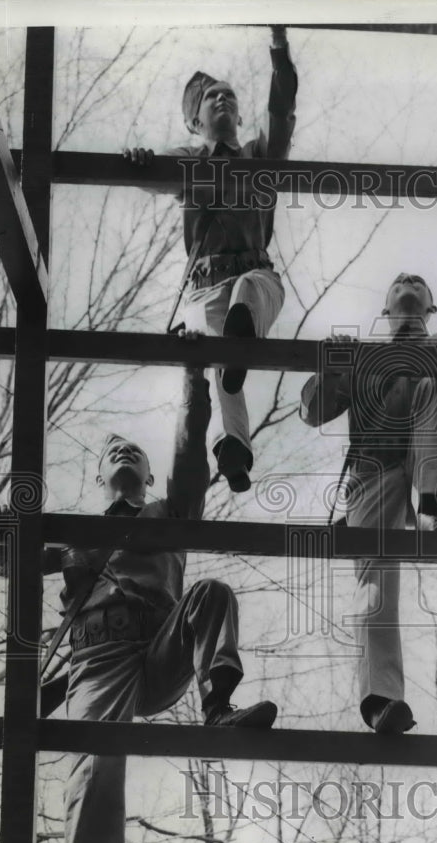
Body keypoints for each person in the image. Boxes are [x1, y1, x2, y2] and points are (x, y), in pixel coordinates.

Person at [0, 349, 277, 843]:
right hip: (96, 662)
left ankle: (217, 706)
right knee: (93, 762)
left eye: (135, 455)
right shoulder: (75, 539)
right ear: (99, 479)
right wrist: (1, 532)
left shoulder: (169, 512)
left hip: (160, 650)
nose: (124, 453)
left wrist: (194, 376)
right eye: (112, 454)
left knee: (212, 593)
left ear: (147, 477)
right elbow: (8, 558)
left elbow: (191, 453)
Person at [299, 203, 437, 736]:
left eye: (418, 282)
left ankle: (432, 510)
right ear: (385, 310)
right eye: (397, 282)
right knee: (375, 580)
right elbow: (314, 410)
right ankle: (381, 701)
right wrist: (332, 366)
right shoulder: (363, 358)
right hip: (373, 476)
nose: (407, 282)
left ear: (432, 307)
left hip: (425, 459)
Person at [124, 25, 297, 493]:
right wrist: (140, 161)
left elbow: (281, 111)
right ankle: (233, 448)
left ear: (241, 115)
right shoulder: (189, 162)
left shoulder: (259, 154)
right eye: (212, 98)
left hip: (255, 274)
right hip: (205, 284)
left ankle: (240, 334)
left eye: (231, 97)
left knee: (244, 301)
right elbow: (152, 176)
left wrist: (279, 50)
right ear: (195, 122)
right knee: (217, 347)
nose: (224, 101)